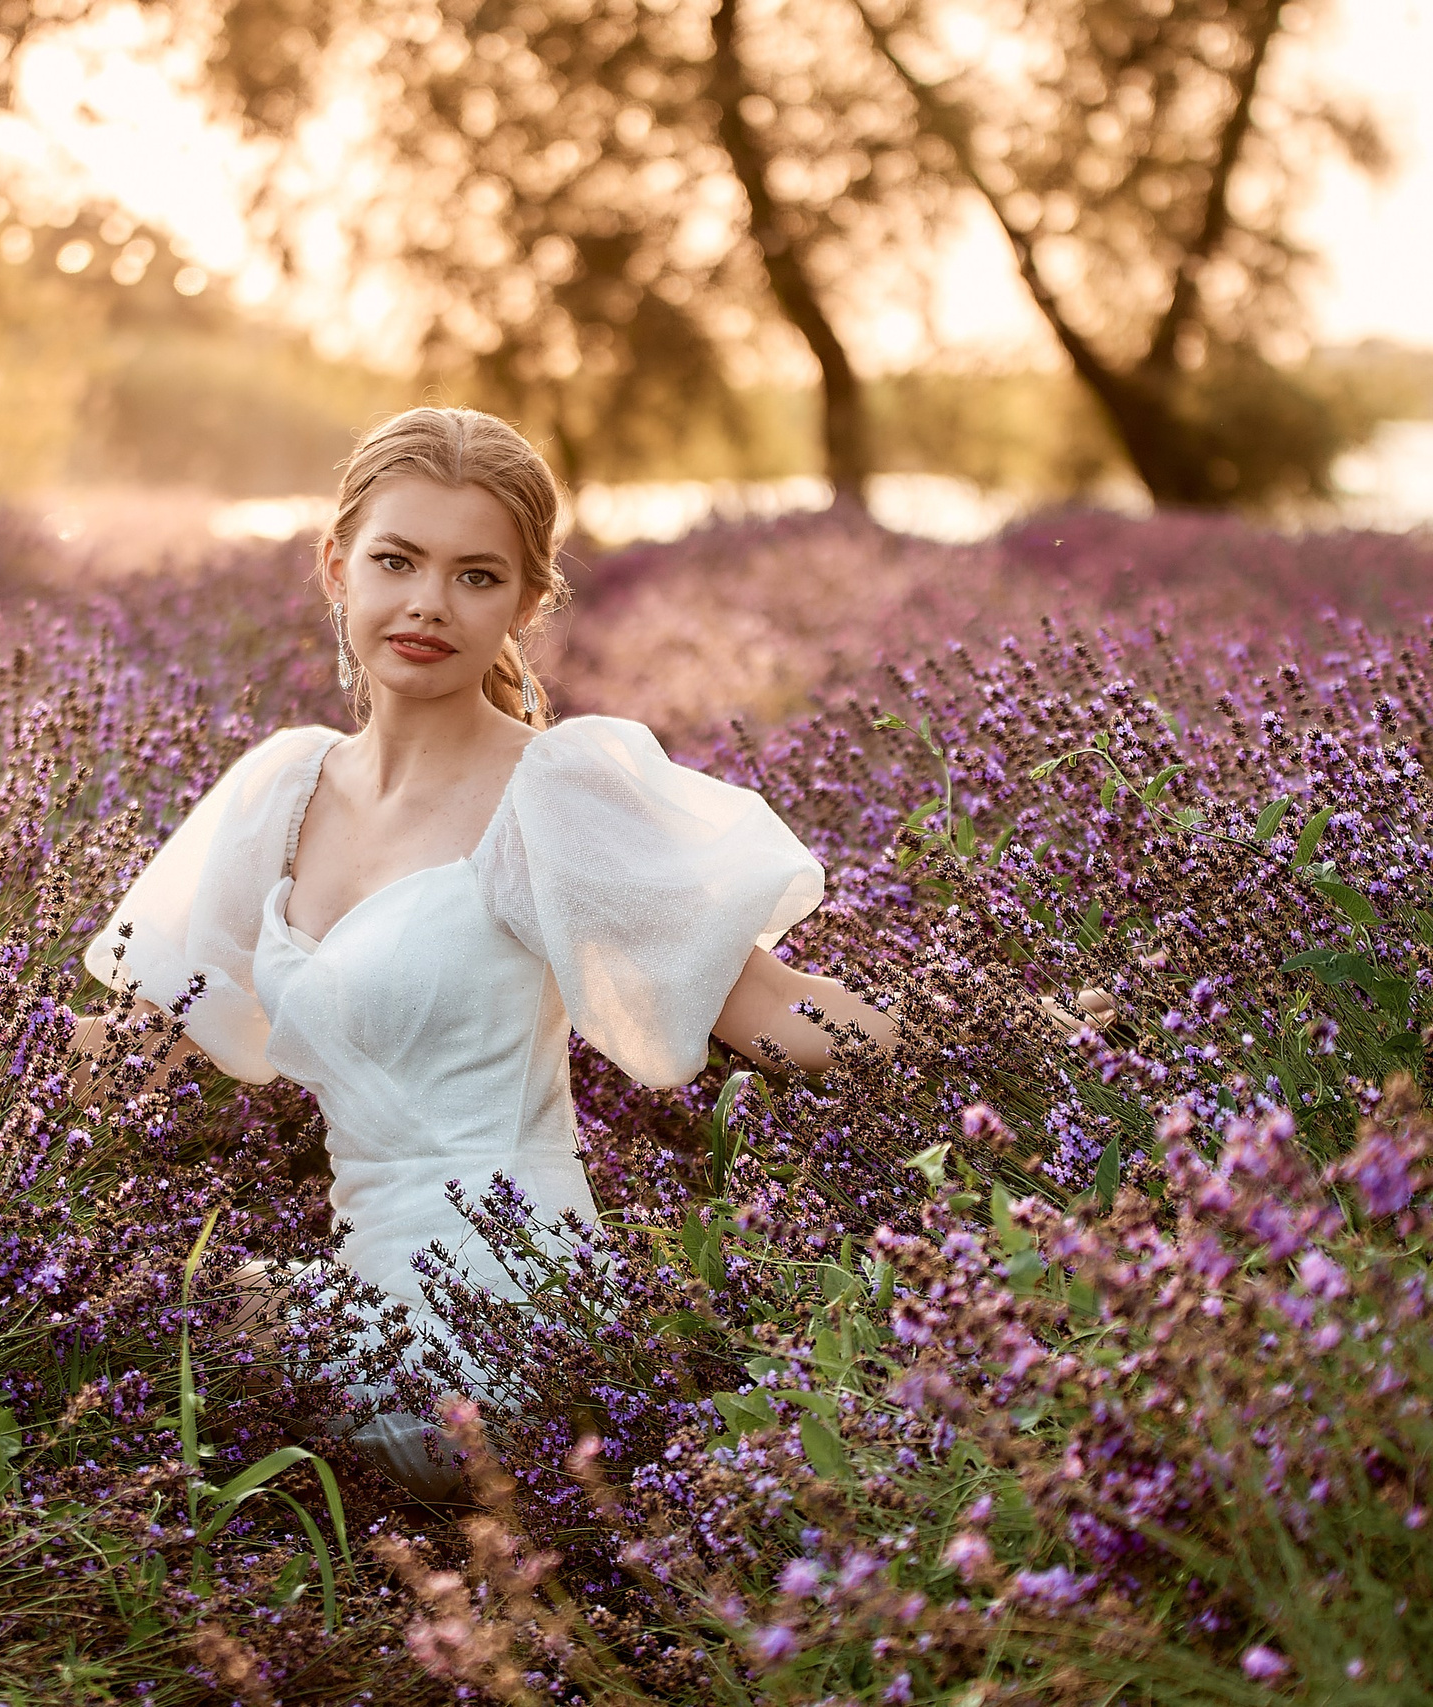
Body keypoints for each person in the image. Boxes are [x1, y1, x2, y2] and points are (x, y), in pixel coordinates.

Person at [71, 407, 1091, 1497]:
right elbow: (142, 1050)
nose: (427, 602)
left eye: (475, 576)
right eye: (396, 561)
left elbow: (766, 1006)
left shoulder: (547, 795)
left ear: (525, 602)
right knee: (103, 1319)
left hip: (511, 1312)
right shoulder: (282, 790)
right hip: (362, 1298)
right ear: (336, 567)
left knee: (152, 1348)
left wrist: (1014, 1039)